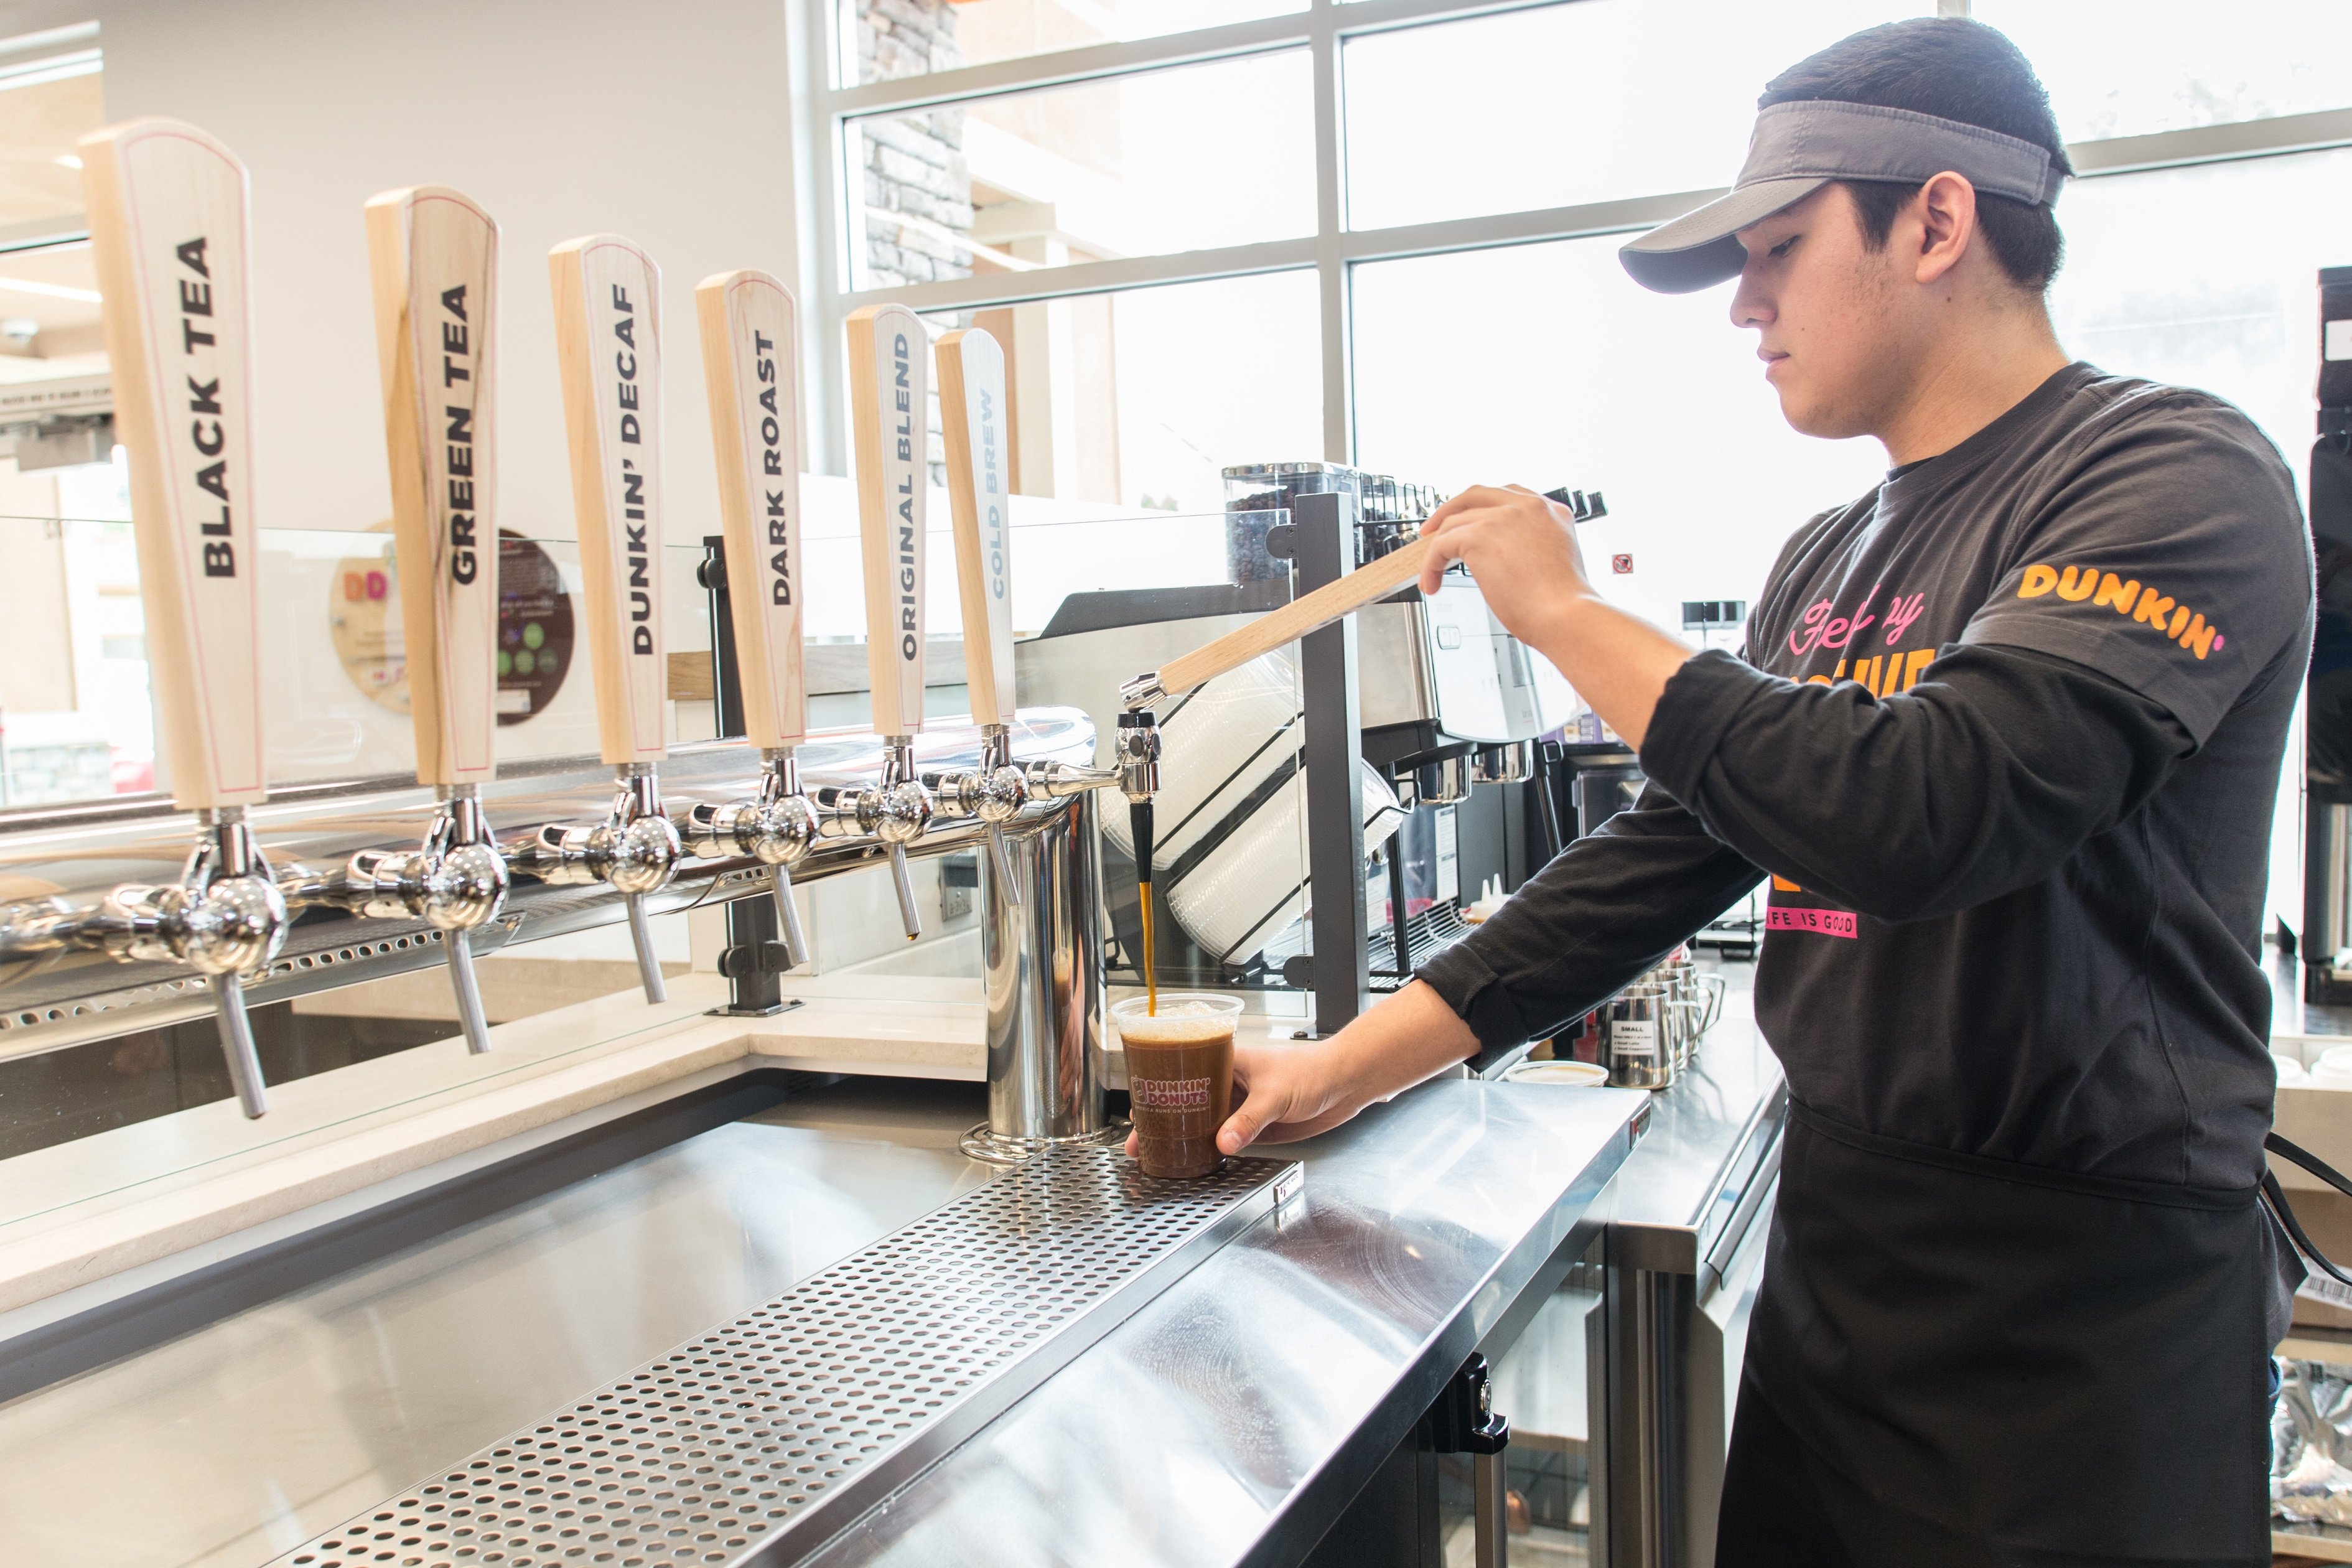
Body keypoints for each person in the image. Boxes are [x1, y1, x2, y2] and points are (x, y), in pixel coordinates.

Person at [1208, 19, 2313, 1566]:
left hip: (2084, 1323)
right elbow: (1660, 861)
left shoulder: (2171, 478)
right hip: (1843, 1283)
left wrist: (1567, 615)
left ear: (1937, 220)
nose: (1745, 303)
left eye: (1782, 249)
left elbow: (1929, 808)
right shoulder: (1828, 557)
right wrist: (1348, 1066)